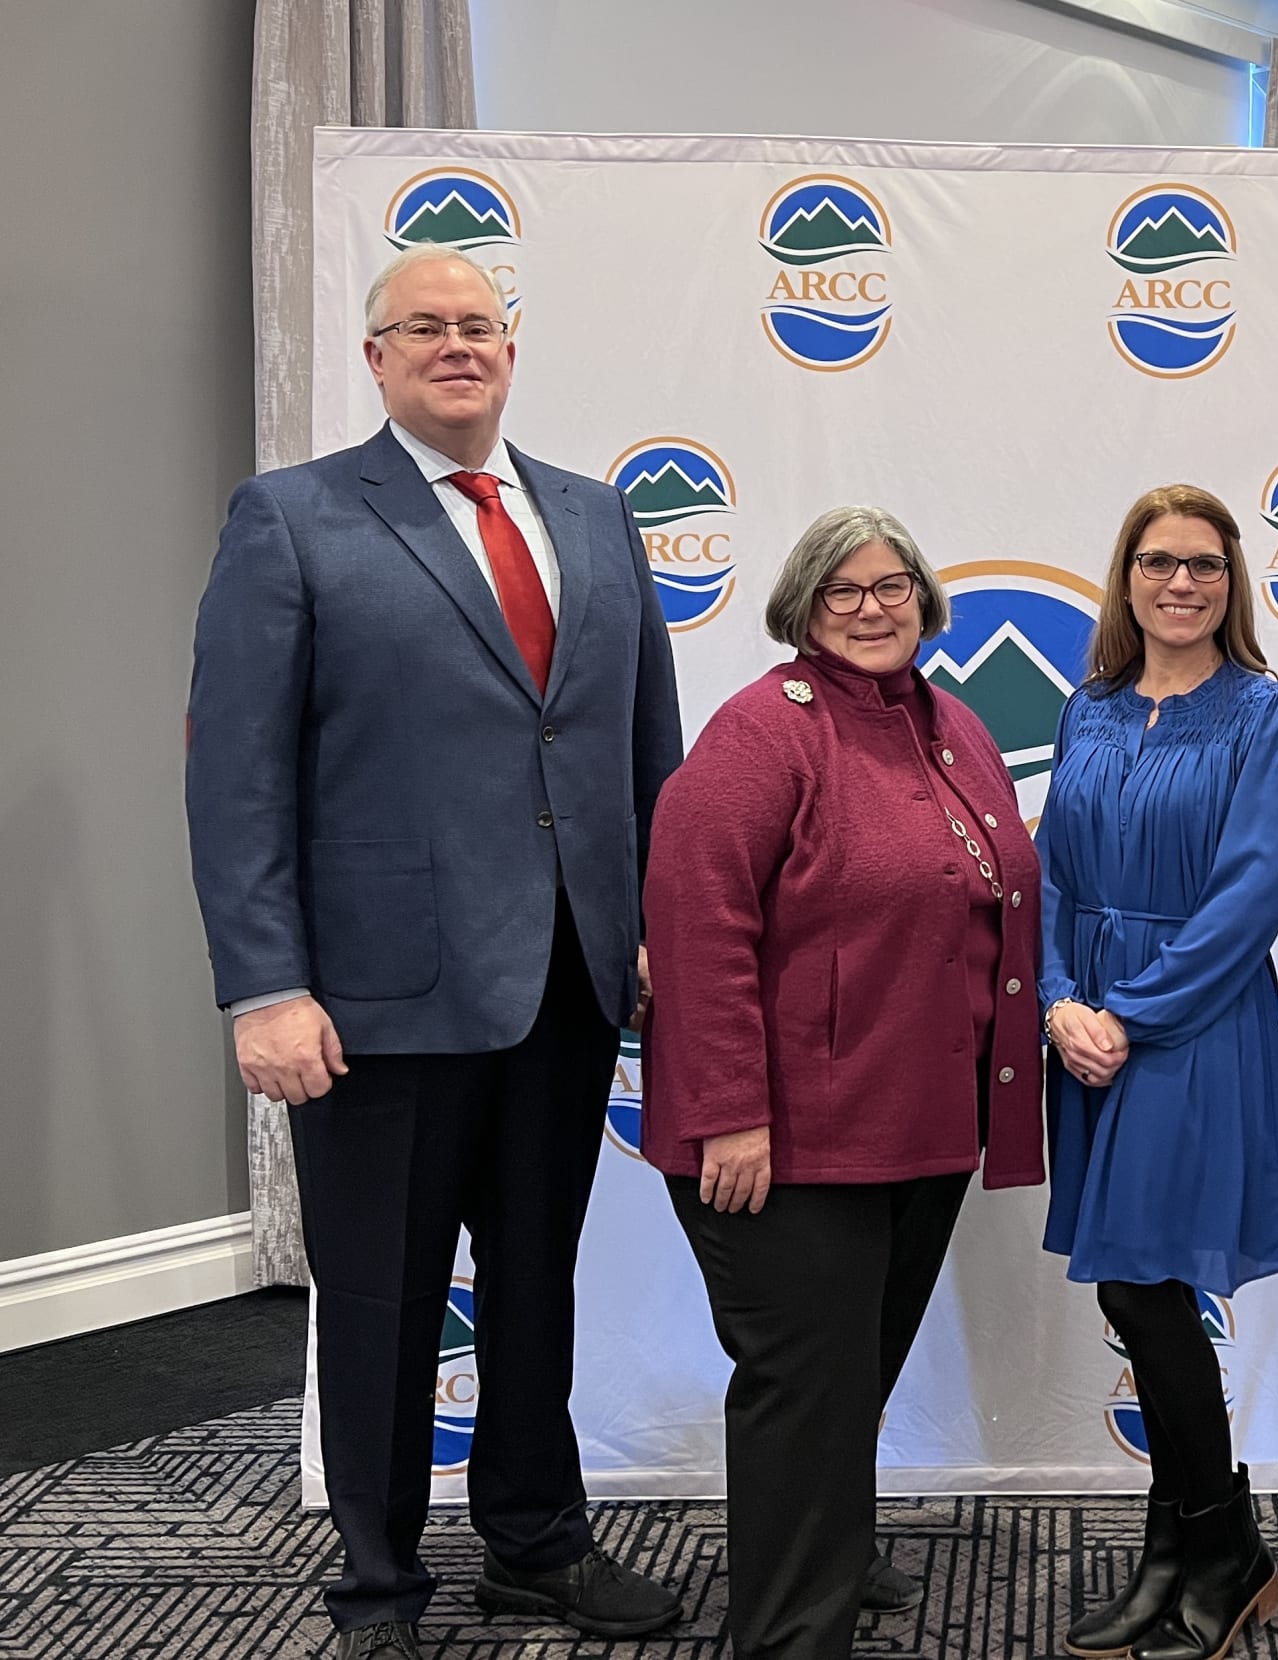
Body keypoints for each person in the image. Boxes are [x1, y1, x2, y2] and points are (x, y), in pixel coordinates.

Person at [184, 245, 685, 1660]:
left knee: (537, 1286)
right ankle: (379, 1584)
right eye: (424, 327)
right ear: (376, 356)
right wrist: (266, 985)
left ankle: (537, 1545)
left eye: (478, 325)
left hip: (570, 986)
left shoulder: (597, 520)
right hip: (376, 1000)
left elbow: (653, 751)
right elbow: (238, 778)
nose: (455, 345)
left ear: (511, 350)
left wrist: (658, 925)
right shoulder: (291, 520)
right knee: (385, 1302)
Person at [640, 504, 1046, 1660]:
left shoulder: (952, 723)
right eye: (844, 592)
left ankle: (830, 1542)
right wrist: (728, 1114)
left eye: (893, 586)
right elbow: (696, 923)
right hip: (788, 1139)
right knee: (803, 1389)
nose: (874, 609)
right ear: (802, 610)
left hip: (918, 1125)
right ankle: (787, 1633)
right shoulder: (764, 733)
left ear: (925, 597)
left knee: (848, 1376)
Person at [1039, 484, 1278, 1660]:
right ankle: (1184, 1553)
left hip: (1189, 1024)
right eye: (1159, 563)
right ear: (1128, 576)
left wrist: (1127, 1017)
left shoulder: (1265, 714)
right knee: (1129, 1288)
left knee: (1149, 1287)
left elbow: (1250, 897)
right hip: (1084, 1016)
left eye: (1204, 564)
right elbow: (1044, 869)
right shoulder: (1090, 707)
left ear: (1231, 578)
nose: (1182, 583)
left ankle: (1226, 1550)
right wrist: (1057, 998)